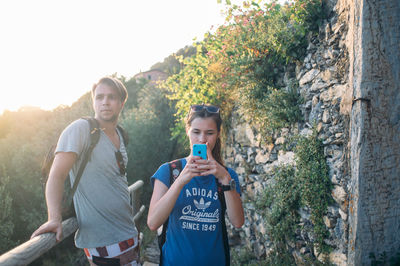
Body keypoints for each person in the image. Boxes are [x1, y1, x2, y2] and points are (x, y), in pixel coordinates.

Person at [31, 76, 140, 266]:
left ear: (121, 103)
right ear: (93, 101)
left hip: (128, 234)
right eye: (100, 97)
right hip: (103, 241)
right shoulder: (81, 129)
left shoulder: (120, 134)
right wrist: (54, 218)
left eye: (111, 97)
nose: (105, 102)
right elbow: (56, 175)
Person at [147, 104, 244, 266]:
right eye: (196, 132)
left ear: (218, 134)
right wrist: (180, 181)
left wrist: (225, 179)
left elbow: (238, 222)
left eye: (210, 133)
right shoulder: (169, 171)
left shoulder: (228, 175)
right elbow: (153, 223)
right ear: (187, 131)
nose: (202, 140)